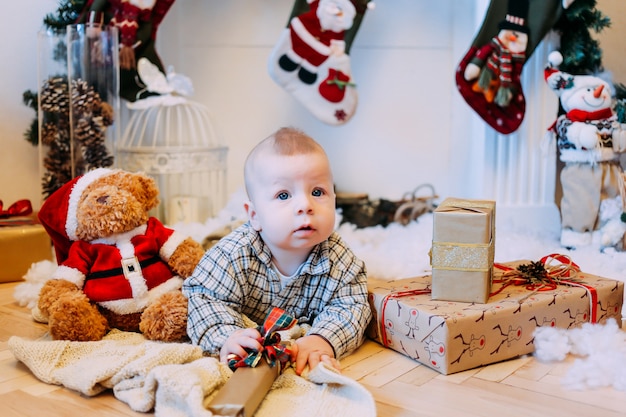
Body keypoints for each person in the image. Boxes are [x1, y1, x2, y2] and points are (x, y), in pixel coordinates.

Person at [183, 126, 372, 375]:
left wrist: (322, 340)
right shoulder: (233, 254)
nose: (305, 205)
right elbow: (205, 297)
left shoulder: (340, 260)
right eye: (284, 195)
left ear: (334, 200)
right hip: (239, 305)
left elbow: (352, 307)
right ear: (254, 215)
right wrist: (227, 336)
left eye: (318, 192)